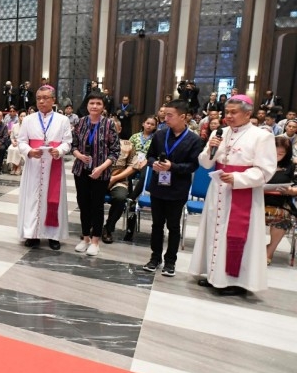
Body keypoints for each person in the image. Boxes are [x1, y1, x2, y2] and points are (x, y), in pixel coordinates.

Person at [189, 95, 277, 296]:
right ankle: (214, 275)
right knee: (214, 231)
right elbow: (205, 163)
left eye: (233, 112)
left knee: (235, 235)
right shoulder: (219, 133)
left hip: (242, 193)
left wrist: (238, 178)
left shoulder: (261, 136)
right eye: (226, 112)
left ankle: (234, 280)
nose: (228, 116)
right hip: (218, 190)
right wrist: (211, 148)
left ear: (248, 113)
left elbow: (266, 170)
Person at [142, 100, 202, 275]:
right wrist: (154, 165)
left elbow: (193, 166)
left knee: (173, 226)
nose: (165, 117)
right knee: (156, 225)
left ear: (182, 117)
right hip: (158, 186)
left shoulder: (194, 140)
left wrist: (172, 167)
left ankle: (170, 261)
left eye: (170, 115)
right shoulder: (160, 135)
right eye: (164, 114)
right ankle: (155, 258)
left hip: (177, 188)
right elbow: (150, 156)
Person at [16, 86, 72, 250]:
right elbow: (21, 142)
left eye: (46, 98)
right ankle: (32, 234)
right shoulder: (28, 120)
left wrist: (60, 150)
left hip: (53, 164)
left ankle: (53, 236)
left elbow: (67, 142)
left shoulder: (63, 120)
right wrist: (29, 151)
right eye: (39, 98)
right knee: (32, 199)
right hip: (34, 165)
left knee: (53, 200)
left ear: (53, 100)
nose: (41, 101)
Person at [70, 92, 120, 256]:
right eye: (92, 103)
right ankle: (85, 238)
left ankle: (95, 240)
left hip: (101, 172)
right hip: (81, 170)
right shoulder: (81, 122)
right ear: (87, 105)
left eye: (98, 103)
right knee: (83, 204)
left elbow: (115, 152)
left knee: (97, 206)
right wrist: (79, 156)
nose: (95, 106)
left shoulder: (109, 124)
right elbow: (73, 145)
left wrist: (101, 168)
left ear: (103, 106)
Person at [102, 118, 145, 244]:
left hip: (118, 180)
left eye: (114, 128)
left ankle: (108, 229)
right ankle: (92, 227)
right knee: (91, 196)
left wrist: (115, 178)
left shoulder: (128, 145)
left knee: (120, 198)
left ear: (119, 130)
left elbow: (134, 166)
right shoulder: (98, 144)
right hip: (99, 179)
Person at [264, 136, 297, 265]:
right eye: (274, 152)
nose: (277, 156)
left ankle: (269, 251)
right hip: (258, 200)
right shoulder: (261, 162)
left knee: (283, 218)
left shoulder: (291, 165)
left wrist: (291, 191)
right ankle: (252, 249)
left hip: (280, 202)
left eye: (281, 153)